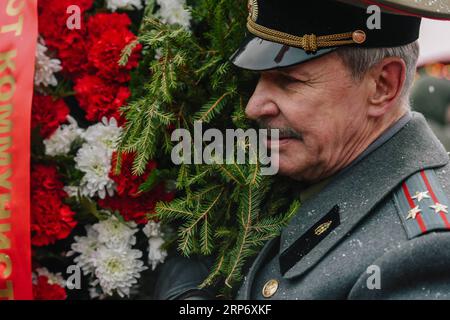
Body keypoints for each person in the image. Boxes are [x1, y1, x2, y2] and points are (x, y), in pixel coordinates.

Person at [155, 0, 450, 300]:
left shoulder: (421, 250)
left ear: (382, 85)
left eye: (288, 80)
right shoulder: (317, 172)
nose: (253, 107)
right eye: (259, 79)